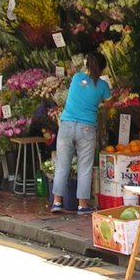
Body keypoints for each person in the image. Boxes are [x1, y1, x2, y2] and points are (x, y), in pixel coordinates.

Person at [50, 52, 111, 214]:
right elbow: (109, 103)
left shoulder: (77, 78)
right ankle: (82, 205)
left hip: (66, 125)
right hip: (86, 128)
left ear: (88, 65)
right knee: (84, 167)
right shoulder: (103, 85)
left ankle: (56, 202)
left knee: (62, 165)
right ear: (103, 68)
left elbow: (73, 73)